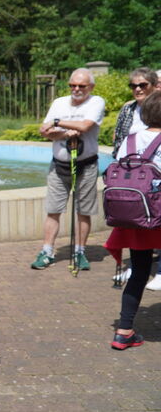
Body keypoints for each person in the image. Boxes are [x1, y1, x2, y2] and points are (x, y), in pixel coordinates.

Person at [103, 90, 161, 349]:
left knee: (139, 271)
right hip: (158, 213)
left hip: (137, 215)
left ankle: (124, 330)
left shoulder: (130, 139)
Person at [31, 68, 105, 271]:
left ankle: (80, 251)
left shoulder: (96, 102)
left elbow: (85, 126)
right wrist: (65, 133)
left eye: (82, 86)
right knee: (53, 209)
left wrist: (57, 123)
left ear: (91, 86)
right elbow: (44, 131)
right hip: (59, 164)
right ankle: (46, 251)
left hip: (86, 164)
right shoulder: (59, 103)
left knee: (84, 210)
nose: (76, 89)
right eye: (73, 85)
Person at [110, 68, 158, 286]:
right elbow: (119, 138)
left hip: (154, 178)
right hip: (132, 175)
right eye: (133, 85)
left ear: (153, 85)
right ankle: (136, 267)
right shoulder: (128, 109)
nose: (137, 89)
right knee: (136, 223)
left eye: (142, 85)